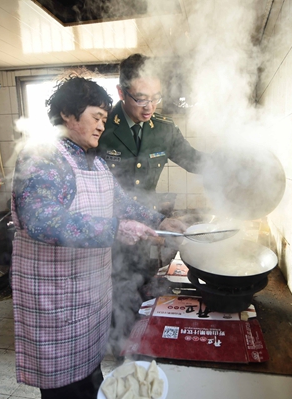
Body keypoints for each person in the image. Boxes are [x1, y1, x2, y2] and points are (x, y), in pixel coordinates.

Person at [10, 75, 183, 399]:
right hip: (56, 300)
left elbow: (122, 203)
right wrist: (116, 229)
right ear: (68, 114)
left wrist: (163, 221)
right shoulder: (43, 157)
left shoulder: (93, 162)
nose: (102, 125)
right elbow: (40, 219)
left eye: (105, 118)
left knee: (90, 378)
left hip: (88, 298)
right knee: (65, 390)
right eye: (97, 117)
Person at [96, 54, 206, 354]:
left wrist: (233, 166)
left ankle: (138, 349)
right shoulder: (101, 124)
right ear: (121, 92)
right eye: (141, 98)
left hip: (145, 226)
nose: (149, 107)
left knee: (142, 284)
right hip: (107, 230)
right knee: (114, 294)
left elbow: (195, 160)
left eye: (156, 98)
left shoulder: (164, 128)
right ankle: (117, 353)